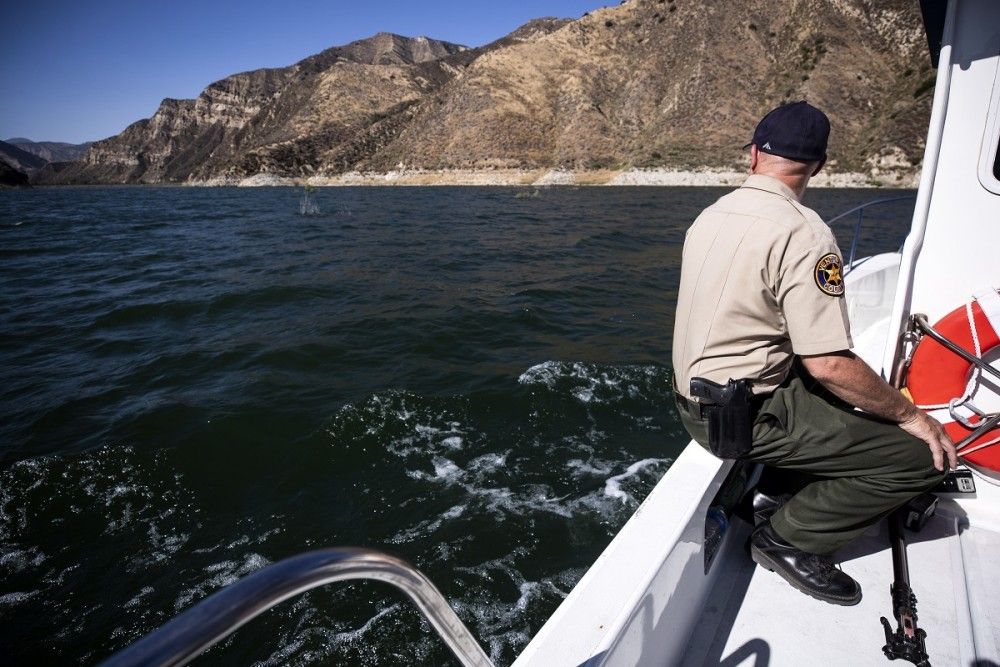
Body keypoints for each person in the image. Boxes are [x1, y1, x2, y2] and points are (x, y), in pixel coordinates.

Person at [671, 101, 956, 606]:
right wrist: (913, 417)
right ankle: (790, 540)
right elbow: (829, 364)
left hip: (695, 399)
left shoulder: (709, 215)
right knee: (920, 461)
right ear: (819, 166)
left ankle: (769, 493)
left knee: (843, 399)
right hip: (746, 417)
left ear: (754, 154)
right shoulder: (804, 233)